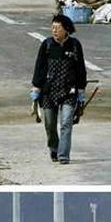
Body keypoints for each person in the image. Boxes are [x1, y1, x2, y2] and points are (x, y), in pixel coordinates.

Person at [30, 12, 87, 164]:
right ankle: (54, 148)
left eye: (58, 28)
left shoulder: (75, 45)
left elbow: (80, 68)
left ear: (66, 29)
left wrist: (81, 89)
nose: (54, 30)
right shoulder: (47, 45)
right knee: (49, 124)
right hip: (49, 91)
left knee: (66, 122)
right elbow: (40, 67)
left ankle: (63, 155)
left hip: (69, 91)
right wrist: (36, 87)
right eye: (53, 27)